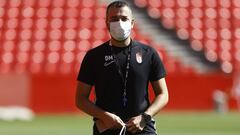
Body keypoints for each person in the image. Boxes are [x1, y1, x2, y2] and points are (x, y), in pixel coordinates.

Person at [76, 1, 169, 135]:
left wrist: (145, 117)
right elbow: (80, 99)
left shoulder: (149, 53)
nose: (119, 23)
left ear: (132, 23)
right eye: (114, 19)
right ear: (107, 23)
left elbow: (163, 94)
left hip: (143, 128)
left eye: (124, 18)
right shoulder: (94, 56)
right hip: (106, 128)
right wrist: (104, 116)